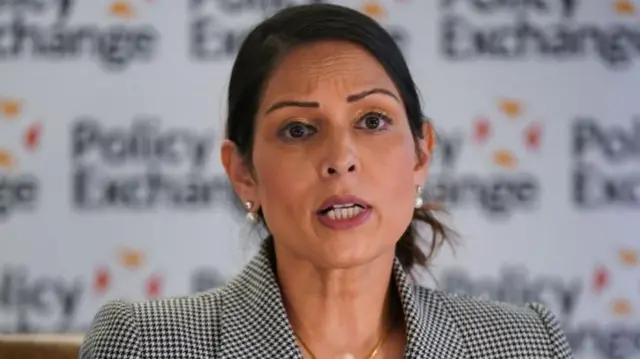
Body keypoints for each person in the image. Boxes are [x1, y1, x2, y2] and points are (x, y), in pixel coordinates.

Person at [79, 3, 573, 359]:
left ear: (421, 153)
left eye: (373, 121)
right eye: (298, 129)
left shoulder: (526, 345)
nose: (341, 158)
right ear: (243, 173)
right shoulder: (144, 344)